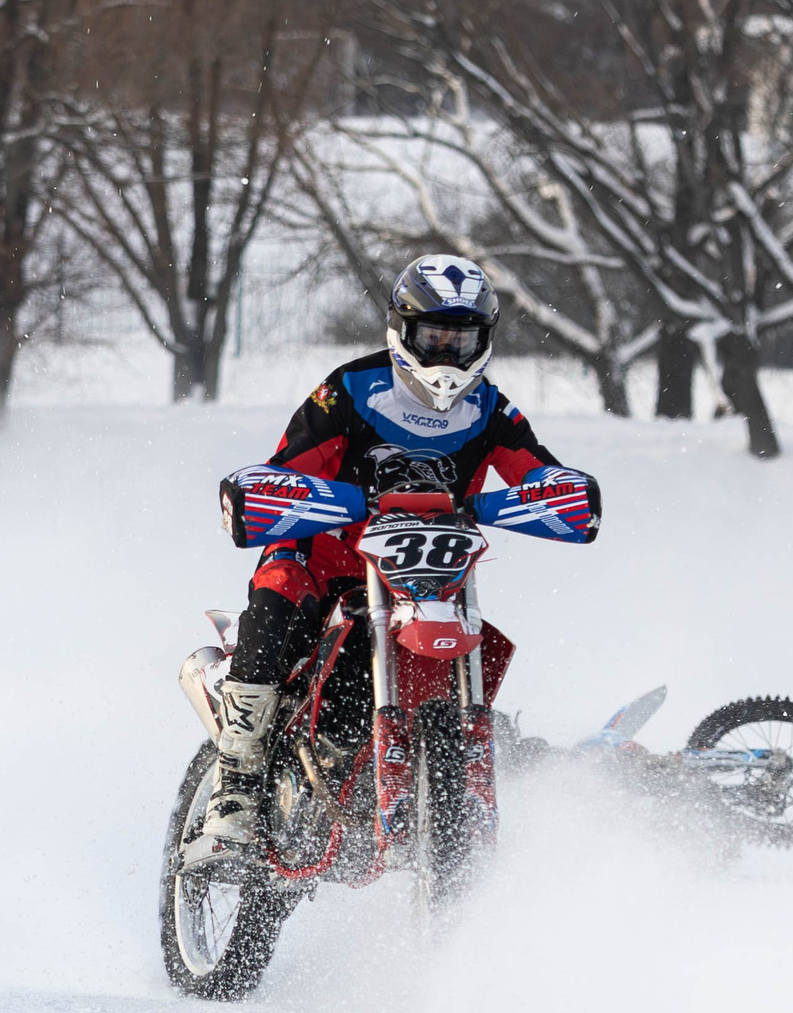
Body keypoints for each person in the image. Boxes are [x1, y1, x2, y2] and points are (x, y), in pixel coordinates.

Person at [203, 254, 590, 844]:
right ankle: (236, 786)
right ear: (401, 329)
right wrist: (319, 498)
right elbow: (284, 471)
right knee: (275, 601)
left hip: (427, 578)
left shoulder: (491, 410)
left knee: (469, 646)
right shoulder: (350, 390)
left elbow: (541, 476)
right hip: (324, 558)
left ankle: (444, 784)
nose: (445, 354)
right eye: (432, 336)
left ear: (483, 340)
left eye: (460, 340)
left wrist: (560, 500)